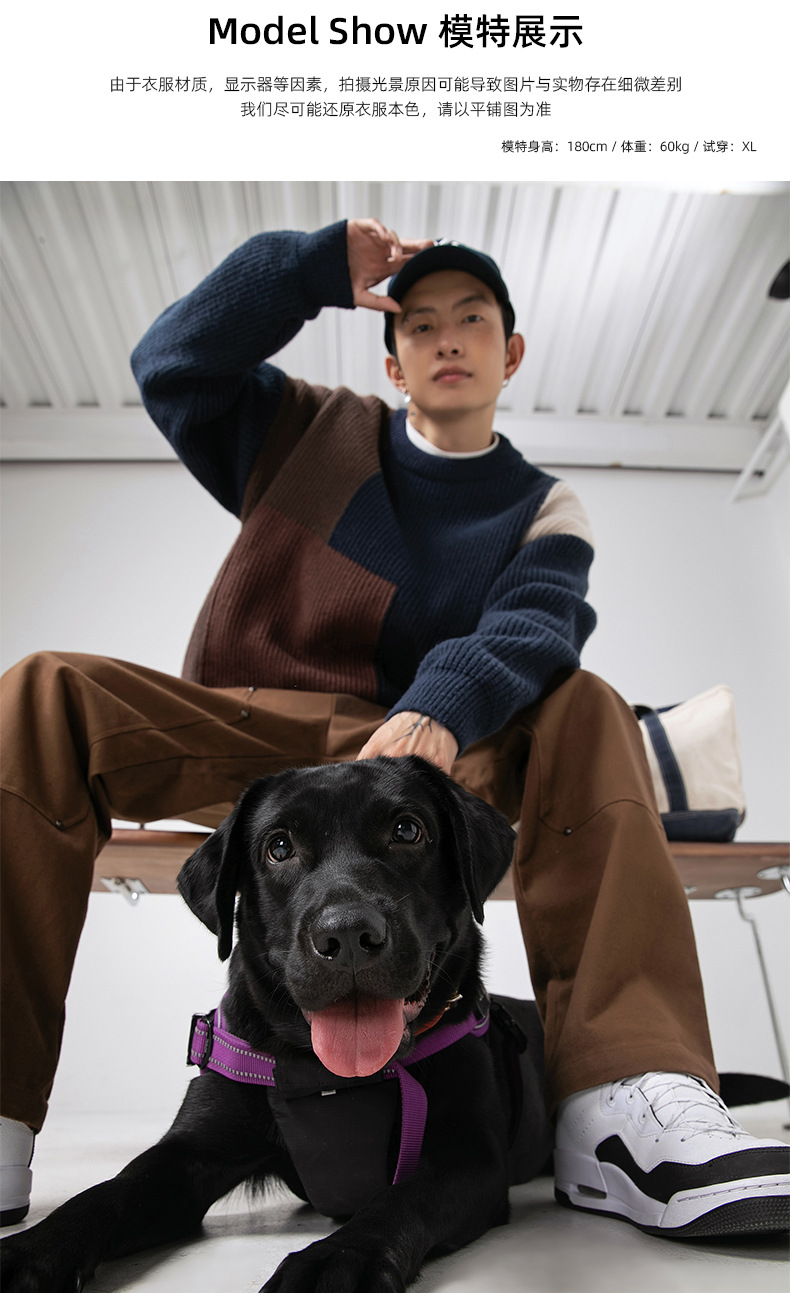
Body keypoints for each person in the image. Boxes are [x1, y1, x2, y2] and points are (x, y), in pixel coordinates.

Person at [1, 217, 787, 1238]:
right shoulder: (310, 432)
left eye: (472, 320)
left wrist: (436, 709)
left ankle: (623, 1101)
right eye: (420, 324)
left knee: (585, 700)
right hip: (262, 737)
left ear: (511, 352)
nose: (447, 338)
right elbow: (171, 364)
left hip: (431, 759)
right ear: (393, 360)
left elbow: (536, 623)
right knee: (43, 690)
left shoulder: (544, 506)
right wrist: (309, 267)